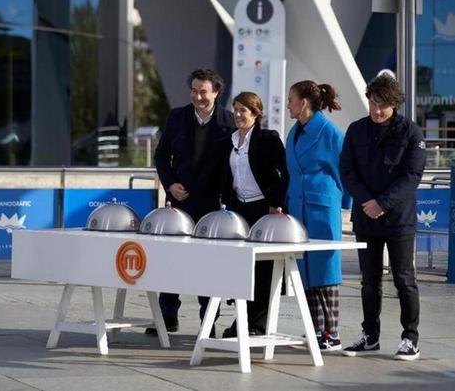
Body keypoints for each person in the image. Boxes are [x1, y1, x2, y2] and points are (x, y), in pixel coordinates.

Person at [339, 73, 425, 361]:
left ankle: (410, 338)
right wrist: (366, 202)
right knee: (369, 281)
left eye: (383, 105)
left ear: (394, 104)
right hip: (366, 217)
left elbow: (412, 176)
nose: (377, 111)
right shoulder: (356, 130)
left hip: (398, 220)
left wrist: (383, 204)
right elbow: (347, 171)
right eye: (373, 103)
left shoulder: (411, 133)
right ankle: (369, 336)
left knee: (403, 278)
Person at [148, 68, 234, 336]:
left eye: (203, 91)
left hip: (212, 204)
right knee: (171, 258)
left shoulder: (229, 122)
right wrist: (170, 184)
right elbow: (161, 156)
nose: (198, 96)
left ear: (216, 92)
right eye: (194, 91)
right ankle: (167, 315)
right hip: (178, 202)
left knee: (208, 263)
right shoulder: (177, 117)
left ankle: (208, 321)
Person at [285, 80, 351, 351]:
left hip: (322, 206)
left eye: (291, 99)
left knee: (325, 266)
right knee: (307, 269)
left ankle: (332, 332)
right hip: (298, 206)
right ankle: (314, 329)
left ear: (304, 102)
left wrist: (344, 204)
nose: (287, 104)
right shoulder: (295, 131)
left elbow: (344, 170)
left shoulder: (330, 132)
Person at [220, 91, 289, 338]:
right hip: (239, 209)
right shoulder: (229, 140)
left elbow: (282, 175)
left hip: (264, 208)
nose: (239, 115)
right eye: (236, 109)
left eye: (244, 111)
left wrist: (276, 204)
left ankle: (257, 323)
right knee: (242, 268)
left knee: (263, 269)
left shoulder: (268, 139)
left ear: (256, 114)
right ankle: (242, 318)